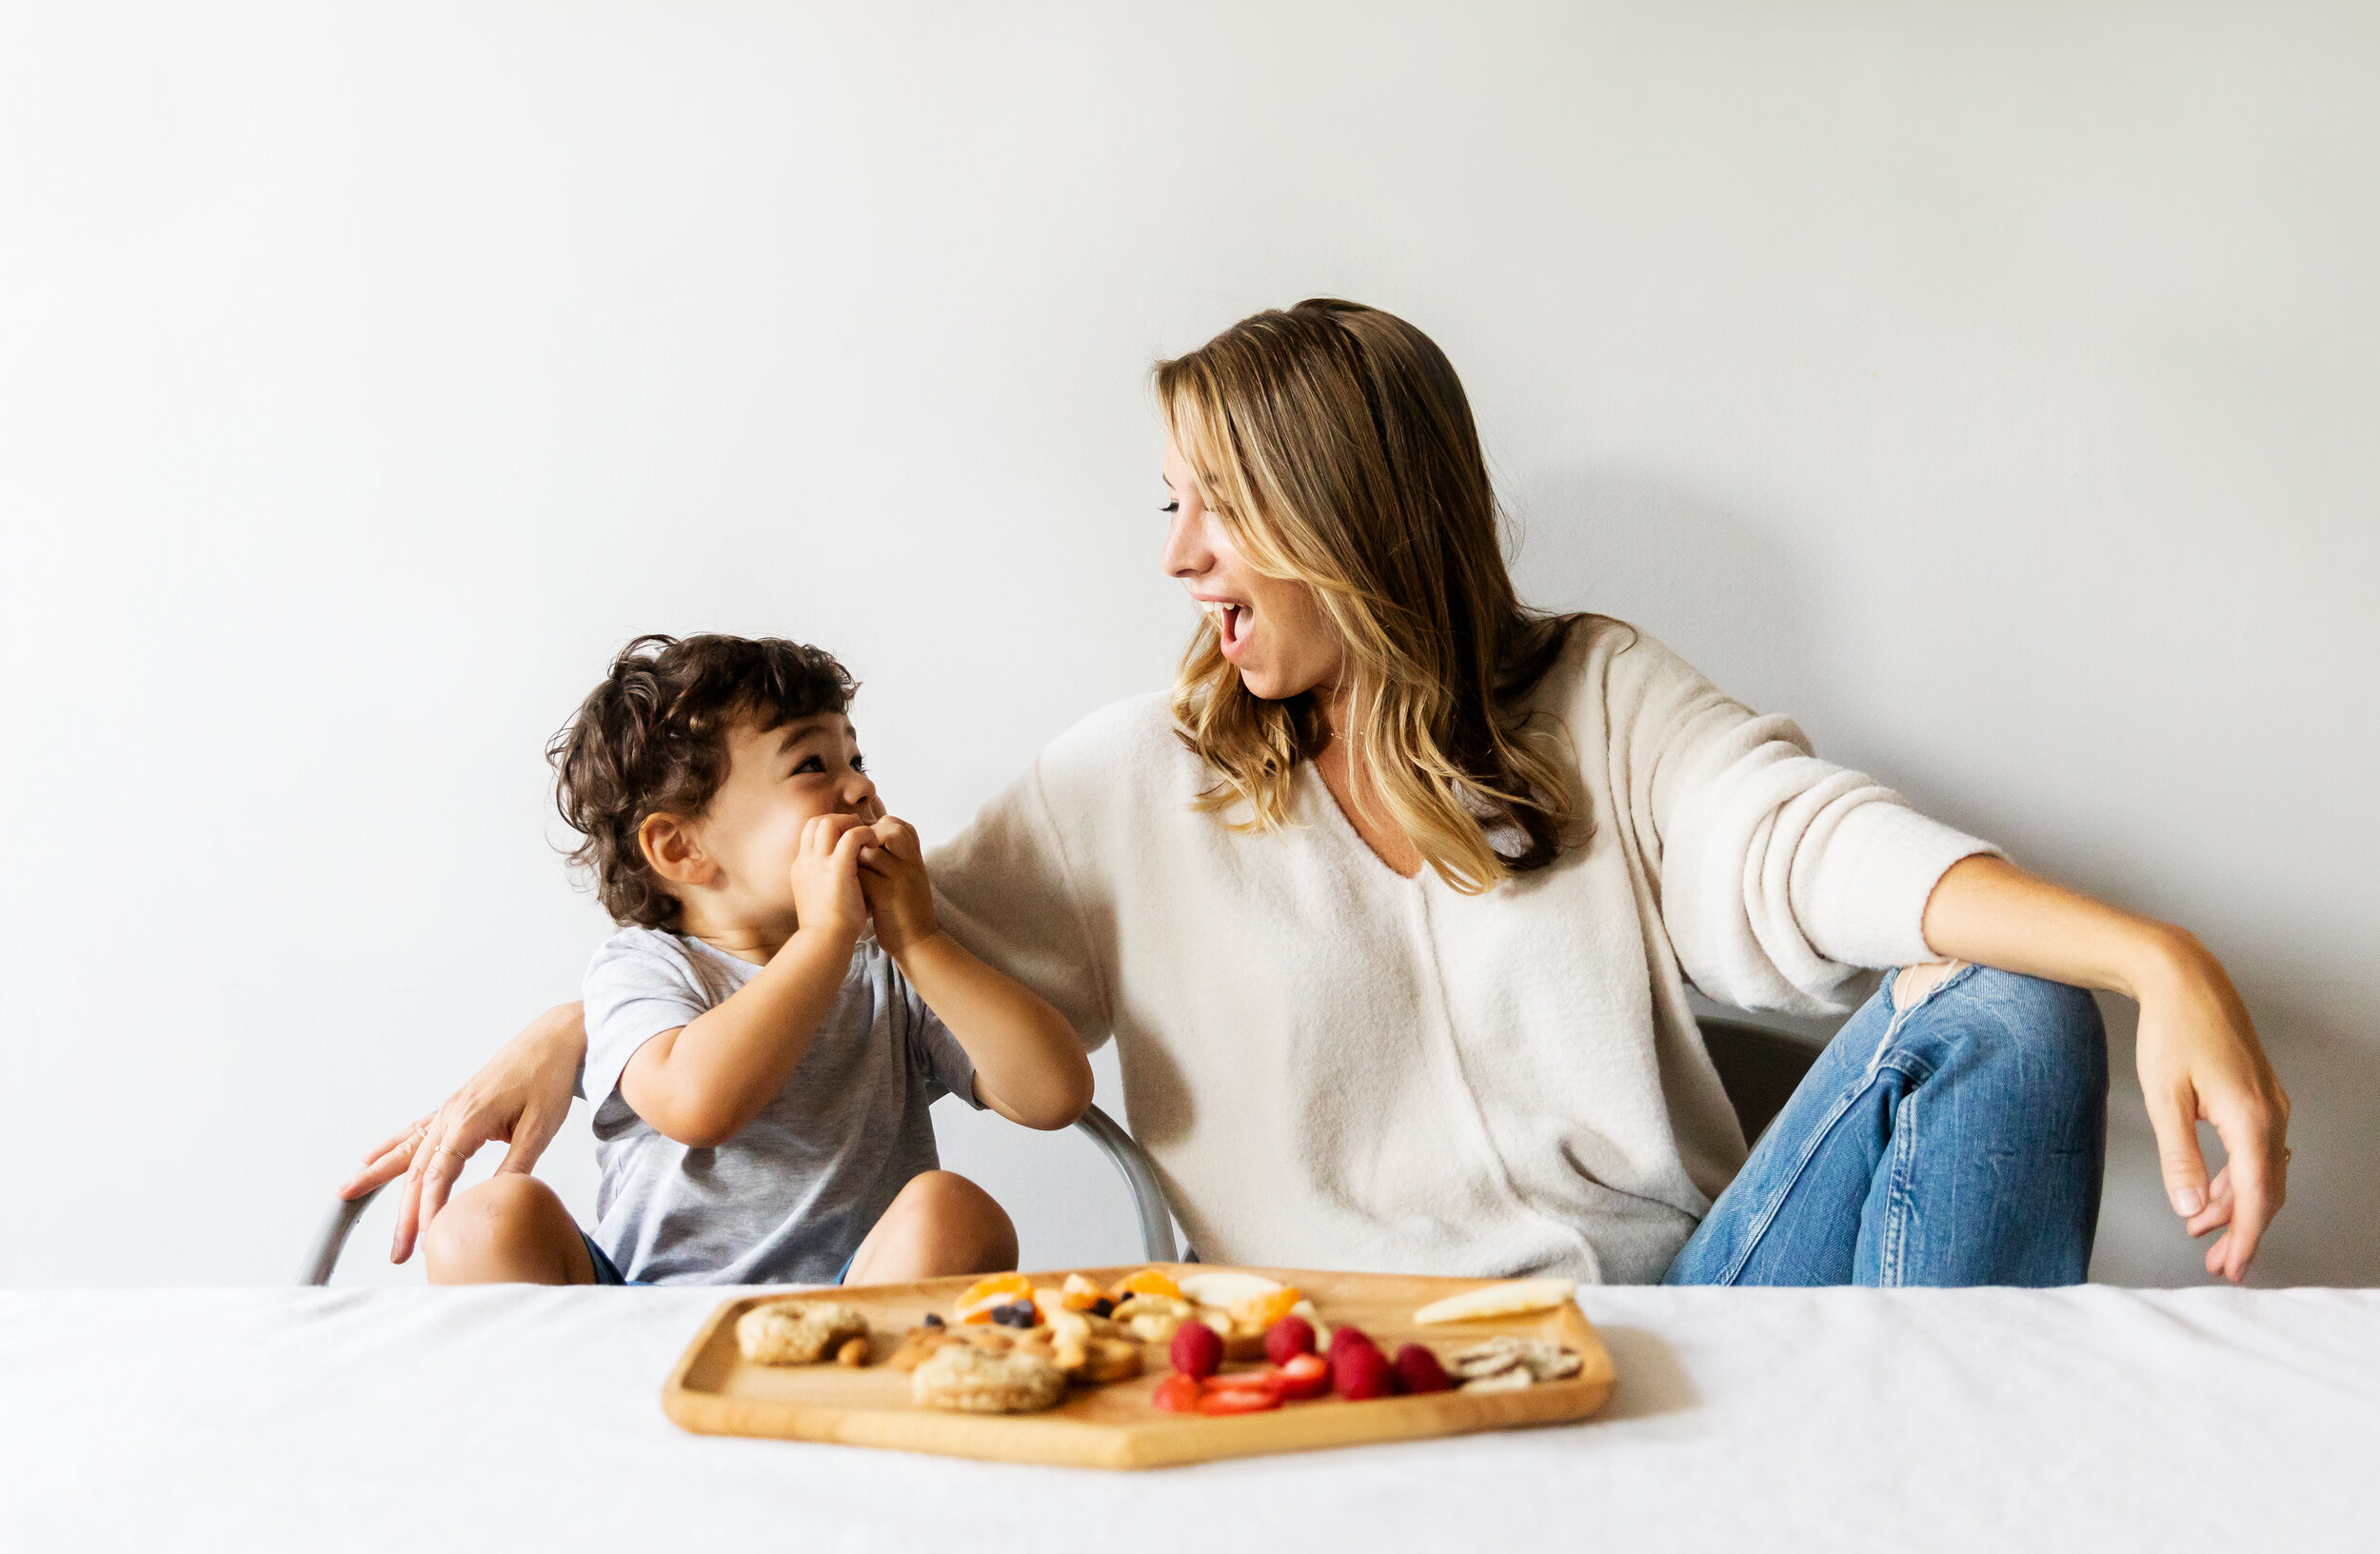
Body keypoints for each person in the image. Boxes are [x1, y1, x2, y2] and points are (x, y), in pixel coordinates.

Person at [347, 300, 2289, 1287]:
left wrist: (2152, 957)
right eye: (1172, 514)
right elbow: (866, 955)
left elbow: (1816, 854)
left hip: (1689, 1317)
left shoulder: (1591, 698)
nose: (1183, 560)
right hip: (1340, 1366)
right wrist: (571, 1031)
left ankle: (1908, 1487)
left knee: (2019, 1008)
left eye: (1212, 511)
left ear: (1332, 515)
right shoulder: (1131, 784)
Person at [416, 633, 1092, 1286]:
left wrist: (920, 943)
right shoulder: (641, 969)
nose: (860, 789)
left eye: (855, 761)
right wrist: (824, 936)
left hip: (846, 1313)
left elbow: (1054, 1096)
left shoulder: (888, 967)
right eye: (811, 766)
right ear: (681, 849)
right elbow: (697, 1104)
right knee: (482, 1223)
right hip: (643, 1313)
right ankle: (564, 1397)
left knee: (955, 1212)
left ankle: (837, 1398)